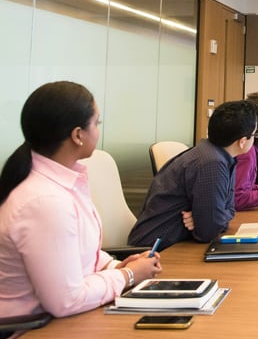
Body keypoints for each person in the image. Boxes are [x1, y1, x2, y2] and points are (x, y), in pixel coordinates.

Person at [0, 81, 161, 320]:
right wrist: (127, 275)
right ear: (77, 135)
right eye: (97, 123)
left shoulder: (62, 184)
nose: (98, 129)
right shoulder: (45, 201)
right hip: (30, 332)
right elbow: (66, 300)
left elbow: (79, 253)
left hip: (60, 320)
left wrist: (114, 266)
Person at [128, 100, 256, 249]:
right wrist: (209, 221)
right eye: (255, 134)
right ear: (242, 141)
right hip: (156, 251)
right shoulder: (212, 163)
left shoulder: (221, 156)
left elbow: (230, 210)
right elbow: (208, 232)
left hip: (175, 243)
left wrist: (206, 219)